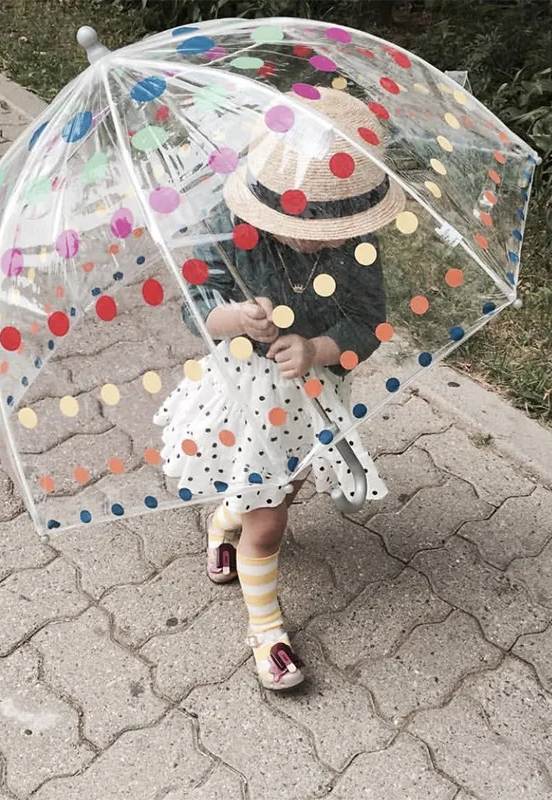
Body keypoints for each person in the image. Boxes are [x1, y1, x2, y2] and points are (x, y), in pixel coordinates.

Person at [154, 87, 406, 690]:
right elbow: (197, 308)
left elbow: (369, 324)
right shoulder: (228, 226)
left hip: (309, 395)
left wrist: (319, 348)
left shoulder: (353, 245)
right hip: (246, 389)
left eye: (329, 230)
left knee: (280, 487)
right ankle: (265, 628)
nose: (315, 242)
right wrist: (239, 319)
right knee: (270, 518)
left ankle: (223, 523)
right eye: (300, 229)